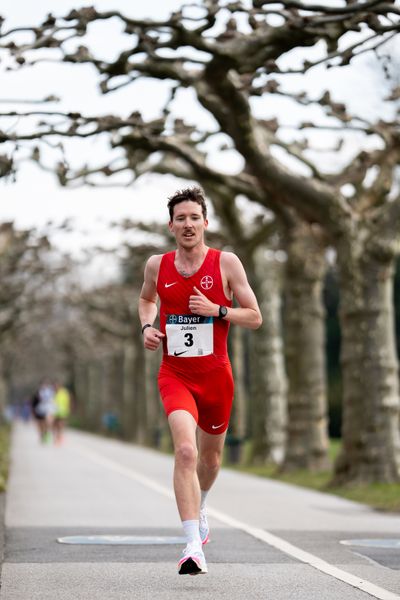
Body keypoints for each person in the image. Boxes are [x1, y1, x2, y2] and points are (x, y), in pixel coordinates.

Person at [139, 187, 262, 575]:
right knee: (186, 453)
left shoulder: (226, 263)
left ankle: (201, 504)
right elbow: (147, 299)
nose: (188, 224)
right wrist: (147, 326)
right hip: (175, 374)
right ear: (171, 225)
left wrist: (218, 310)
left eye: (195, 217)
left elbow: (255, 316)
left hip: (216, 378)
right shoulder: (157, 266)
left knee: (210, 459)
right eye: (181, 218)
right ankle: (192, 545)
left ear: (205, 223)